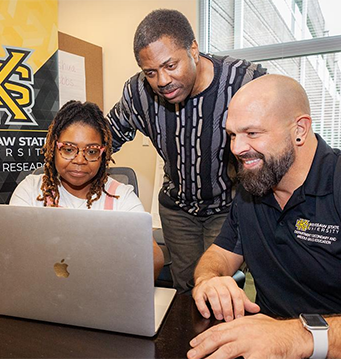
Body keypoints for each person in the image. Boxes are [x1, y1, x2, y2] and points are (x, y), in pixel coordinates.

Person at [188, 74, 341, 359]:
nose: (237, 148)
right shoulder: (253, 186)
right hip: (265, 346)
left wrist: (297, 335)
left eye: (252, 133)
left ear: (299, 129)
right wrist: (209, 279)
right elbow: (220, 254)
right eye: (232, 135)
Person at [107, 9, 266, 293]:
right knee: (186, 290)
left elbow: (277, 135)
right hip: (177, 210)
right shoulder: (138, 92)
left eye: (170, 65)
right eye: (151, 72)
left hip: (229, 208)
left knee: (222, 291)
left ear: (193, 49)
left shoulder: (244, 82)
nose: (162, 80)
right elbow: (108, 137)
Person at [10, 100, 164, 280]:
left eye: (91, 151)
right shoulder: (30, 191)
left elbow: (154, 256)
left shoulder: (121, 197)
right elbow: (12, 251)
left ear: (103, 154)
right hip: (41, 292)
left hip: (103, 294)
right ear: (53, 147)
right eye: (68, 149)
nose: (79, 160)